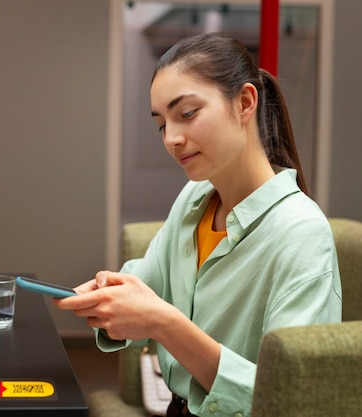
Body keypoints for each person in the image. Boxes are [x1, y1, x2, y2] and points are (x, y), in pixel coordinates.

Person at [55, 32, 342, 417]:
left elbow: (290, 398)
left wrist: (163, 322)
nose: (172, 139)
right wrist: (109, 295)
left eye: (187, 113)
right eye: (161, 124)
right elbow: (148, 281)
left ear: (244, 102)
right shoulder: (195, 200)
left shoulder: (302, 234)